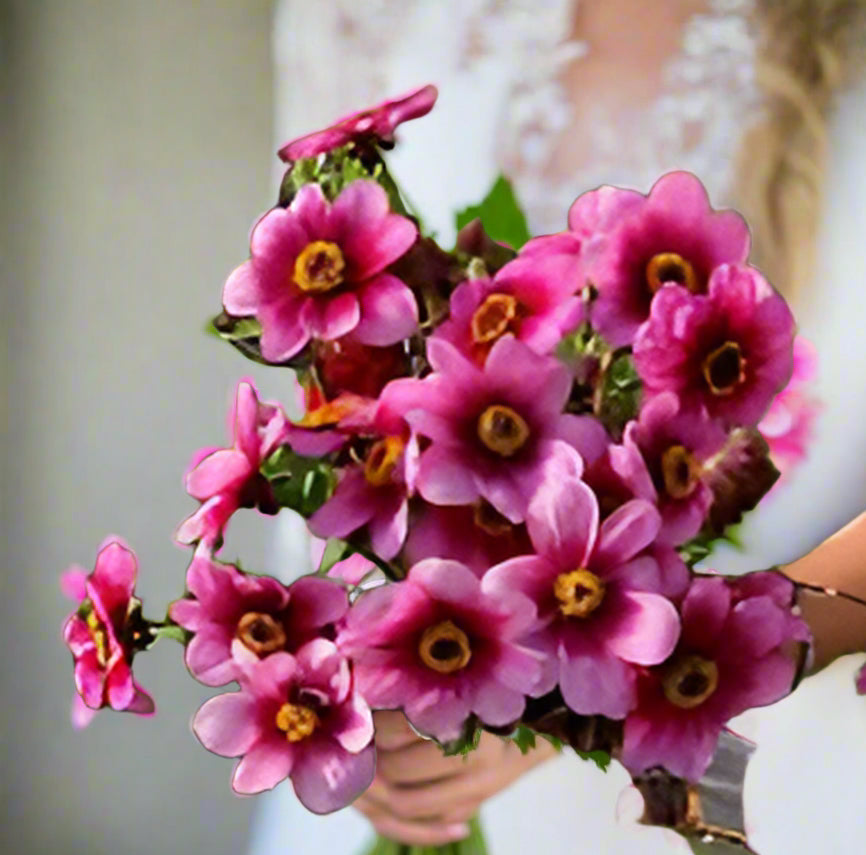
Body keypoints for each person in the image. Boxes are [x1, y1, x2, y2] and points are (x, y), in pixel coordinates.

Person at [252, 2, 866, 853]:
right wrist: (342, 675)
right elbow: (316, 366)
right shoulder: (366, 18)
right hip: (396, 764)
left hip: (750, 782)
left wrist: (572, 693)